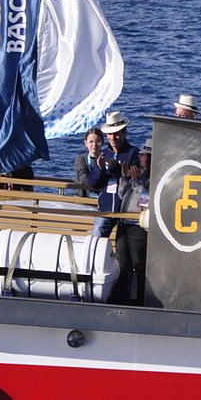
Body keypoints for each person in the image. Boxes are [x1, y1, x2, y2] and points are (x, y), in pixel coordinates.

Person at [112, 144, 151, 305]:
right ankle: (121, 295)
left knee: (138, 264)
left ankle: (142, 297)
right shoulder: (138, 174)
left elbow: (146, 198)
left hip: (137, 225)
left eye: (144, 155)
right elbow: (122, 194)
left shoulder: (152, 177)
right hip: (124, 222)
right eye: (140, 155)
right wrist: (125, 177)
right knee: (122, 262)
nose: (140, 158)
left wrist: (136, 181)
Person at [73, 127, 117, 198]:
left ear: (102, 142)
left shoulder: (108, 158)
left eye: (97, 141)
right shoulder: (81, 159)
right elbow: (84, 180)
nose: (94, 145)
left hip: (105, 198)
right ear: (85, 142)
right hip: (85, 199)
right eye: (91, 141)